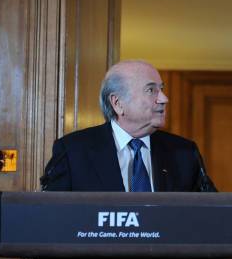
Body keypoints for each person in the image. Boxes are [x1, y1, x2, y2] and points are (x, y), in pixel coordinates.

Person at [41, 60, 216, 192]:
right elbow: (53, 218)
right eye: (151, 90)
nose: (164, 99)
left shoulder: (184, 152)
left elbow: (212, 215)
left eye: (161, 89)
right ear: (117, 103)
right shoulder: (73, 151)